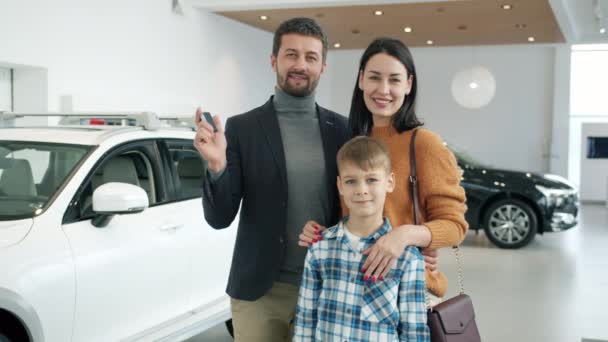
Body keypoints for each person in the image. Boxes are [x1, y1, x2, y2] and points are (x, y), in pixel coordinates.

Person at [194, 17, 349, 342]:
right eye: (291, 54)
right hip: (260, 294)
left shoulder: (344, 131)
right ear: (274, 60)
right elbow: (219, 218)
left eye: (311, 57)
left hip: (327, 287)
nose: (300, 65)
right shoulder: (242, 129)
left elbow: (361, 206)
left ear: (323, 67)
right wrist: (218, 165)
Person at [299, 37, 468, 304]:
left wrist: (404, 236)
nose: (383, 89)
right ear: (361, 80)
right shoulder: (352, 142)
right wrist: (323, 232)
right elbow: (354, 215)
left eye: (395, 80)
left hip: (407, 290)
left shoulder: (424, 144)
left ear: (409, 85)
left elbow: (455, 226)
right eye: (375, 78)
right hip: (353, 286)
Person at [293, 136, 430, 341]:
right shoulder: (320, 249)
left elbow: (414, 333)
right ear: (340, 186)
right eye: (351, 181)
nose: (361, 190)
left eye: (372, 180)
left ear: (389, 182)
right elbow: (305, 319)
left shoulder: (408, 258)